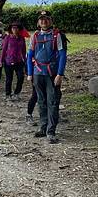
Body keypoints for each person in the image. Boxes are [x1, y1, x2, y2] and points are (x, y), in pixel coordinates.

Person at [27, 10, 67, 144]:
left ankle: (51, 132)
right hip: (38, 73)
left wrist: (60, 74)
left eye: (46, 19)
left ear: (50, 20)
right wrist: (29, 73)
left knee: (53, 102)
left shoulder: (57, 35)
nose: (43, 21)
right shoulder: (35, 36)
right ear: (38, 22)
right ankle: (43, 127)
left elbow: (62, 55)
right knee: (41, 101)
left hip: (52, 74)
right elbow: (30, 55)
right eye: (41, 19)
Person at [0, 22, 27, 101]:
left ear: (19, 29)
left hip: (19, 61)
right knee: (9, 79)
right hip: (8, 61)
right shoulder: (7, 38)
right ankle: (8, 94)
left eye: (16, 28)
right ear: (11, 29)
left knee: (21, 77)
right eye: (13, 28)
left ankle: (17, 93)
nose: (15, 29)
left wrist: (25, 61)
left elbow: (24, 51)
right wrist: (1, 60)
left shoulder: (22, 38)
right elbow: (4, 50)